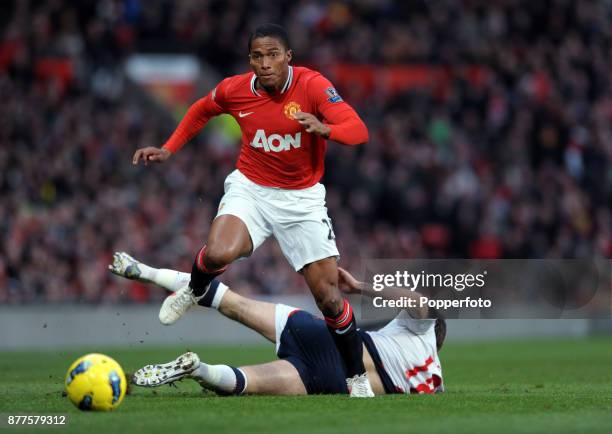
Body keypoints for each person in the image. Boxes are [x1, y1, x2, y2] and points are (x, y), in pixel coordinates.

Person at [131, 24, 372, 395]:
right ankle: (195, 289)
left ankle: (356, 379)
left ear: (288, 57)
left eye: (273, 54)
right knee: (218, 252)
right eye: (258, 56)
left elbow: (358, 130)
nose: (265, 63)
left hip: (302, 199)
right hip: (252, 188)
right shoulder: (235, 89)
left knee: (329, 297)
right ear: (250, 60)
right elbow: (201, 109)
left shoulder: (312, 85)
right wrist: (169, 148)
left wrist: (325, 128)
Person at [109, 252, 445, 396]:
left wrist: (359, 288)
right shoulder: (433, 381)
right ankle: (199, 369)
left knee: (232, 302)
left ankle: (149, 272)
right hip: (335, 375)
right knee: (247, 382)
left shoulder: (421, 329)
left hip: (322, 332)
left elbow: (419, 303)